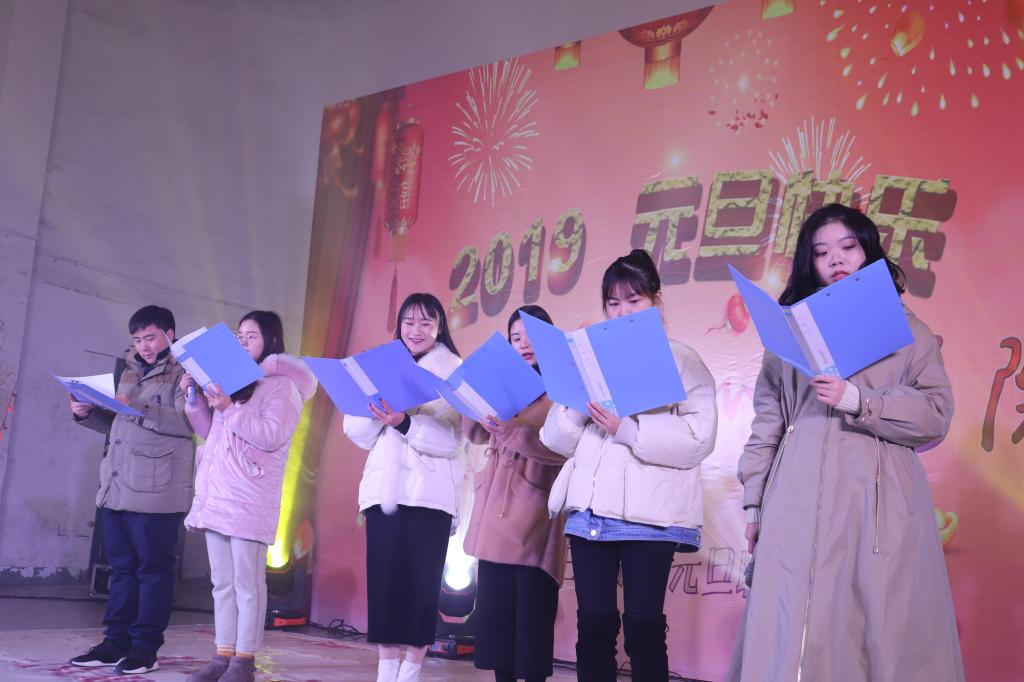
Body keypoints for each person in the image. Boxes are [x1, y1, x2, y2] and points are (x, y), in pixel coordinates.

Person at [728, 203, 964, 681]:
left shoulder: (909, 332)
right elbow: (767, 424)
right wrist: (754, 505)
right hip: (794, 501)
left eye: (848, 247)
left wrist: (860, 401)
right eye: (821, 252)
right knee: (792, 621)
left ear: (867, 252)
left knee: (875, 626)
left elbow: (935, 414)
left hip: (876, 505)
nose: (835, 259)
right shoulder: (787, 338)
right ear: (809, 263)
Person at [541, 250, 718, 682]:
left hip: (651, 516)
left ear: (656, 302)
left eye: (634, 300)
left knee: (643, 628)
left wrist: (628, 430)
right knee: (593, 625)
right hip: (590, 514)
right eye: (613, 303)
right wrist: (580, 405)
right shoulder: (589, 361)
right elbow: (555, 439)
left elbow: (699, 438)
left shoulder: (683, 360)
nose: (622, 312)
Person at [181, 311, 317, 682]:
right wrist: (194, 396)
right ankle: (222, 654)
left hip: (249, 495)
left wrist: (228, 407)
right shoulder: (234, 381)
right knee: (221, 583)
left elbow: (271, 435)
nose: (243, 343)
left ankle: (244, 660)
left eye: (251, 336)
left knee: (247, 583)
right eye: (239, 337)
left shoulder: (282, 387)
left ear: (271, 341)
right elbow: (211, 432)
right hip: (218, 492)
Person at [343, 293, 464, 682]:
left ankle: (409, 674)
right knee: (386, 588)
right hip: (384, 494)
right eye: (409, 322)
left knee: (420, 593)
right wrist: (379, 411)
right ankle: (385, 674)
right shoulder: (380, 367)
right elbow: (356, 431)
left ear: (439, 328)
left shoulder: (453, 372)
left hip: (430, 498)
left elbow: (453, 440)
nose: (416, 330)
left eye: (426, 322)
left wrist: (405, 421)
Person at [68, 305, 194, 675]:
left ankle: (144, 648)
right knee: (121, 570)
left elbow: (188, 423)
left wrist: (136, 404)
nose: (144, 346)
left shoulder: (185, 372)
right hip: (117, 486)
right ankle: (114, 643)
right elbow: (120, 424)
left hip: (158, 488)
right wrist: (86, 414)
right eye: (137, 340)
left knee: (153, 571)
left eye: (150, 338)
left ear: (169, 334)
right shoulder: (128, 370)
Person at [463, 305, 568, 682]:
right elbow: (477, 434)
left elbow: (560, 446)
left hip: (535, 514)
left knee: (531, 623)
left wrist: (511, 429)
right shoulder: (504, 381)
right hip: (496, 512)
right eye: (516, 337)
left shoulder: (563, 386)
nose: (524, 344)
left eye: (532, 336)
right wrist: (476, 406)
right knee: (498, 623)